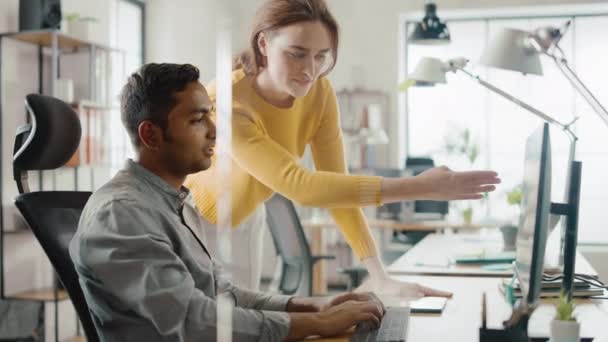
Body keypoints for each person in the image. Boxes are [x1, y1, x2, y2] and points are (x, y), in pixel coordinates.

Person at [185, 0, 500, 295]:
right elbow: (302, 186)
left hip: (245, 217)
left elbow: (338, 188)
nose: (310, 69)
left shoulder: (319, 93)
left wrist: (379, 275)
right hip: (193, 221)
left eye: (321, 55)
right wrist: (421, 186)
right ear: (264, 44)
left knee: (241, 326)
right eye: (296, 53)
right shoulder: (225, 100)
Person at [69, 63, 386, 342]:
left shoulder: (171, 201)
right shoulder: (122, 213)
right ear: (151, 135)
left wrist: (308, 305)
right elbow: (193, 322)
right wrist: (316, 323)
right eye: (197, 120)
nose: (214, 130)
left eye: (211, 115)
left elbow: (222, 295)